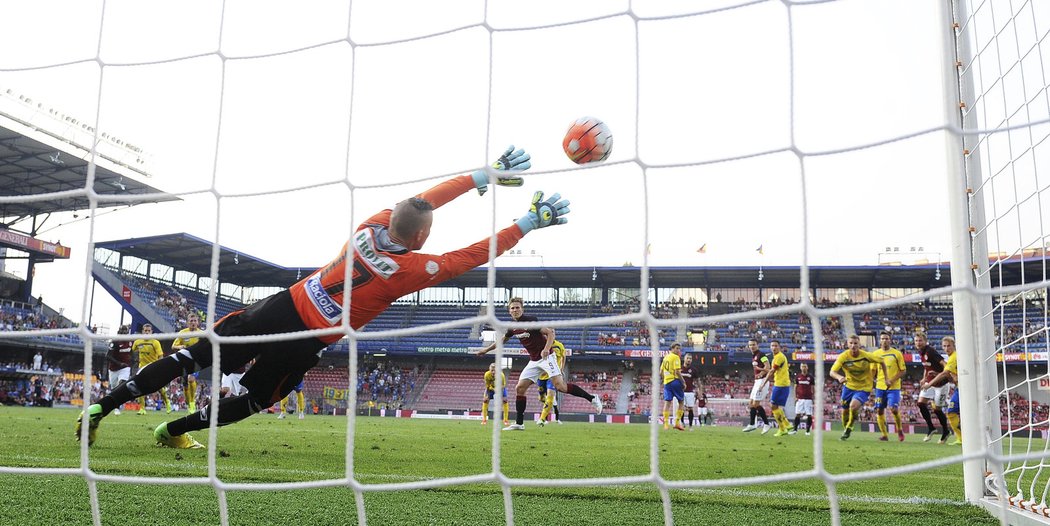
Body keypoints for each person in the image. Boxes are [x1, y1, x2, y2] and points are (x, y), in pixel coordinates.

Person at [77, 146, 567, 448]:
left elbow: (423, 200)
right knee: (252, 401)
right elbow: (470, 254)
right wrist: (529, 221)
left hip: (279, 305)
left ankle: (103, 406)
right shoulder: (410, 269)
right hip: (305, 337)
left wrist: (485, 176)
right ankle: (174, 429)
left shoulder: (369, 224)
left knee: (189, 357)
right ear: (420, 239)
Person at [477, 297, 602, 431]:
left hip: (547, 357)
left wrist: (546, 349)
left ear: (522, 309)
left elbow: (550, 333)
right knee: (520, 388)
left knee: (560, 387)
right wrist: (486, 349)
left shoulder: (531, 320)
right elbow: (502, 340)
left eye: (517, 307)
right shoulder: (512, 327)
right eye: (512, 308)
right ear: (509, 311)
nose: (515, 310)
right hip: (534, 361)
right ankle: (519, 423)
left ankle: (592, 398)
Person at [830, 335, 889, 441]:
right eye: (851, 343)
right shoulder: (843, 356)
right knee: (844, 412)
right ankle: (846, 429)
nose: (853, 346)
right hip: (848, 387)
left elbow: (882, 361)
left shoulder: (866, 355)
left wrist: (886, 378)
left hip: (864, 387)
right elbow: (832, 372)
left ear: (859, 344)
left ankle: (850, 427)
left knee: (853, 406)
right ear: (847, 344)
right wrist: (839, 377)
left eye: (855, 343)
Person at [921, 336, 961, 445]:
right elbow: (949, 376)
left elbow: (945, 373)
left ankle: (963, 438)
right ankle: (961, 439)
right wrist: (937, 374)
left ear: (954, 346)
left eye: (949, 346)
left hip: (964, 389)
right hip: (959, 389)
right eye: (944, 346)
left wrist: (929, 384)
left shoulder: (954, 357)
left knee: (952, 412)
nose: (947, 348)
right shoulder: (952, 357)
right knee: (951, 412)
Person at [915, 332, 951, 444]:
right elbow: (927, 367)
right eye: (916, 341)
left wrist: (938, 373)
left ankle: (945, 431)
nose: (918, 343)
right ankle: (931, 428)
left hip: (941, 384)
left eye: (920, 340)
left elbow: (945, 364)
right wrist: (924, 378)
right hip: (929, 383)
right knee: (920, 403)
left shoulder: (930, 351)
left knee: (937, 409)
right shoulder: (921, 352)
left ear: (925, 341)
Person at [871, 331, 907, 442]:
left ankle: (900, 430)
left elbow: (903, 371)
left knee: (894, 409)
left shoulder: (896, 354)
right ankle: (884, 435)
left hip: (894, 387)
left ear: (890, 340)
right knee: (879, 410)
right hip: (880, 387)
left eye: (886, 338)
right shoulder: (875, 354)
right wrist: (871, 381)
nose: (884, 340)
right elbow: (873, 370)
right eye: (882, 338)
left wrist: (891, 380)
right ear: (879, 340)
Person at [130, 323, 171, 415]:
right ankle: (142, 408)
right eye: (145, 330)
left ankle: (167, 402)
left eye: (149, 331)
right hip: (142, 367)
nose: (147, 332)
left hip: (153, 366)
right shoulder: (137, 342)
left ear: (152, 332)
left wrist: (160, 367)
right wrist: (135, 360)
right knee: (140, 386)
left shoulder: (155, 342)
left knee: (159, 387)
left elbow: (160, 356)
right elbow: (133, 351)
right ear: (142, 331)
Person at [758, 340, 792, 437]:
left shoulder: (779, 357)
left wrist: (763, 384)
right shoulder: (777, 358)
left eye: (776, 346)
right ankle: (784, 428)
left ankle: (785, 426)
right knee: (775, 407)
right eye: (772, 346)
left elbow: (772, 371)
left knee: (773, 406)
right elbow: (773, 370)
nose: (774, 347)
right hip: (783, 384)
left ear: (779, 347)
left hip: (780, 384)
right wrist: (762, 371)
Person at [171, 314, 201, 412]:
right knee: (185, 385)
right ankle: (189, 403)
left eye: (195, 321)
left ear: (198, 322)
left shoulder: (202, 334)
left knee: (191, 379)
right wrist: (180, 347)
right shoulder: (183, 333)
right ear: (188, 322)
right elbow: (173, 346)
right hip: (184, 361)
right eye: (191, 321)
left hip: (197, 361)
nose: (193, 323)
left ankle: (192, 403)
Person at [742, 338, 772, 433]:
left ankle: (766, 424)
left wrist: (760, 372)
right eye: (750, 345)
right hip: (757, 381)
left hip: (762, 381)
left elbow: (768, 368)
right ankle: (752, 424)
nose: (752, 346)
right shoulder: (754, 356)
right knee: (751, 403)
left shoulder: (761, 355)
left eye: (753, 344)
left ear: (757, 345)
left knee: (756, 404)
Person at [104, 325, 132, 415]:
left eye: (126, 332)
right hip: (114, 369)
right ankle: (114, 405)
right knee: (114, 389)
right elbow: (107, 356)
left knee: (122, 385)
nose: (124, 333)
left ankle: (118, 407)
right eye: (122, 332)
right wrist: (119, 363)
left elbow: (132, 353)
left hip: (125, 368)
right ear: (119, 332)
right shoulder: (114, 342)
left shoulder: (131, 341)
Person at [537, 340, 567, 426]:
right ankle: (545, 417)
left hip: (553, 376)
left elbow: (564, 357)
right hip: (542, 377)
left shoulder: (559, 345)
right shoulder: (541, 344)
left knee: (551, 399)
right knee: (541, 398)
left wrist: (561, 368)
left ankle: (544, 419)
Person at [660, 343, 686, 431]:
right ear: (672, 349)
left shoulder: (665, 358)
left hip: (667, 382)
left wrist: (664, 380)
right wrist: (683, 382)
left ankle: (666, 424)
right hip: (675, 381)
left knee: (667, 403)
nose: (678, 350)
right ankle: (677, 423)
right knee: (681, 402)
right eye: (677, 348)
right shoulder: (675, 357)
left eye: (679, 348)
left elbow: (661, 372)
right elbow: (677, 372)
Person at [790, 362, 814, 435]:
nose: (803, 368)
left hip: (808, 399)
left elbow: (813, 388)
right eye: (802, 366)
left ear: (807, 368)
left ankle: (807, 431)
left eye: (805, 366)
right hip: (800, 398)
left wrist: (813, 397)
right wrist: (795, 397)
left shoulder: (811, 377)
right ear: (800, 368)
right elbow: (795, 387)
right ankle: (795, 430)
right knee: (797, 414)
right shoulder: (798, 377)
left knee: (809, 414)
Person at [680, 353, 700, 430]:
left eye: (690, 359)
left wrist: (700, 390)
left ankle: (690, 426)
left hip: (689, 392)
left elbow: (698, 381)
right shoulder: (679, 368)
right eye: (687, 358)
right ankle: (682, 423)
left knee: (690, 409)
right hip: (680, 391)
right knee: (681, 408)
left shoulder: (694, 370)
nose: (689, 360)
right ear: (684, 359)